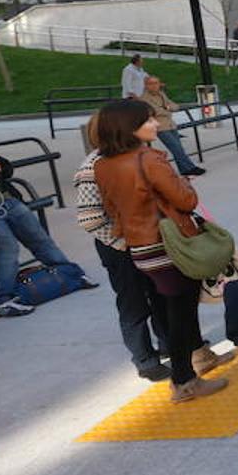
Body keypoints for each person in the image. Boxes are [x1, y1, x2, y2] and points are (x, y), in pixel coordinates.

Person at [93, 100, 231, 400]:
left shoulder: (102, 165)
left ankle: (187, 374)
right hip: (171, 246)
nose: (156, 124)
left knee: (167, 311)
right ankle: (184, 381)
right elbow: (186, 201)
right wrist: (183, 182)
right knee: (181, 314)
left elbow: (110, 209)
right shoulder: (150, 159)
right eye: (149, 120)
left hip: (140, 249)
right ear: (129, 127)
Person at [75, 115, 170, 380]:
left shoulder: (137, 156)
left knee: (160, 295)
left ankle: (168, 344)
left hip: (146, 241)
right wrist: (124, 244)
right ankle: (145, 360)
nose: (154, 124)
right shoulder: (93, 166)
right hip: (120, 247)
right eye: (143, 121)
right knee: (133, 303)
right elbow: (90, 218)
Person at [0, 150, 82, 319]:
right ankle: (0, 299)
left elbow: (7, 170)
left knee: (38, 237)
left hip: (7, 200)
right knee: (7, 246)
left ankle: (69, 274)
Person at [138, 76, 204, 177]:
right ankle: (190, 168)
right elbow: (156, 111)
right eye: (151, 83)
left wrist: (168, 108)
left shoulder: (161, 94)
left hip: (171, 124)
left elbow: (175, 106)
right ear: (146, 85)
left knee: (178, 147)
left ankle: (184, 169)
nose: (154, 86)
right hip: (160, 127)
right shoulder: (144, 98)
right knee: (175, 148)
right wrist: (168, 110)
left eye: (156, 83)